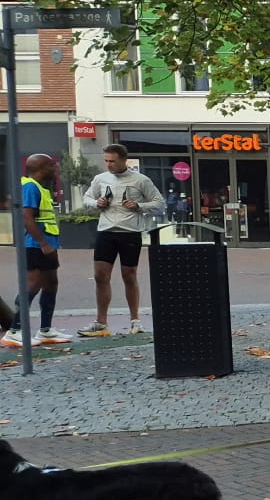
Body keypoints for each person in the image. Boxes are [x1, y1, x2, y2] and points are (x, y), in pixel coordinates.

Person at [80, 144, 164, 337]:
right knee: (101, 276)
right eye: (106, 161)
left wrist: (138, 206)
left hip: (130, 233)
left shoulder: (141, 180)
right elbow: (86, 198)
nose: (108, 164)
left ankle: (135, 320)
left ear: (124, 160)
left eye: (112, 161)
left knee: (129, 275)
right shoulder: (101, 179)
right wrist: (96, 203)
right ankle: (101, 322)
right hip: (106, 231)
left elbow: (159, 204)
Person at [8, 154, 67, 348]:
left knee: (51, 283)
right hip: (36, 246)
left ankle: (45, 330)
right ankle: (15, 331)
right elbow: (27, 218)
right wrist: (43, 243)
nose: (54, 169)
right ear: (41, 168)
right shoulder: (30, 187)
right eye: (52, 165)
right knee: (32, 285)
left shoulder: (41, 188)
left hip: (48, 244)